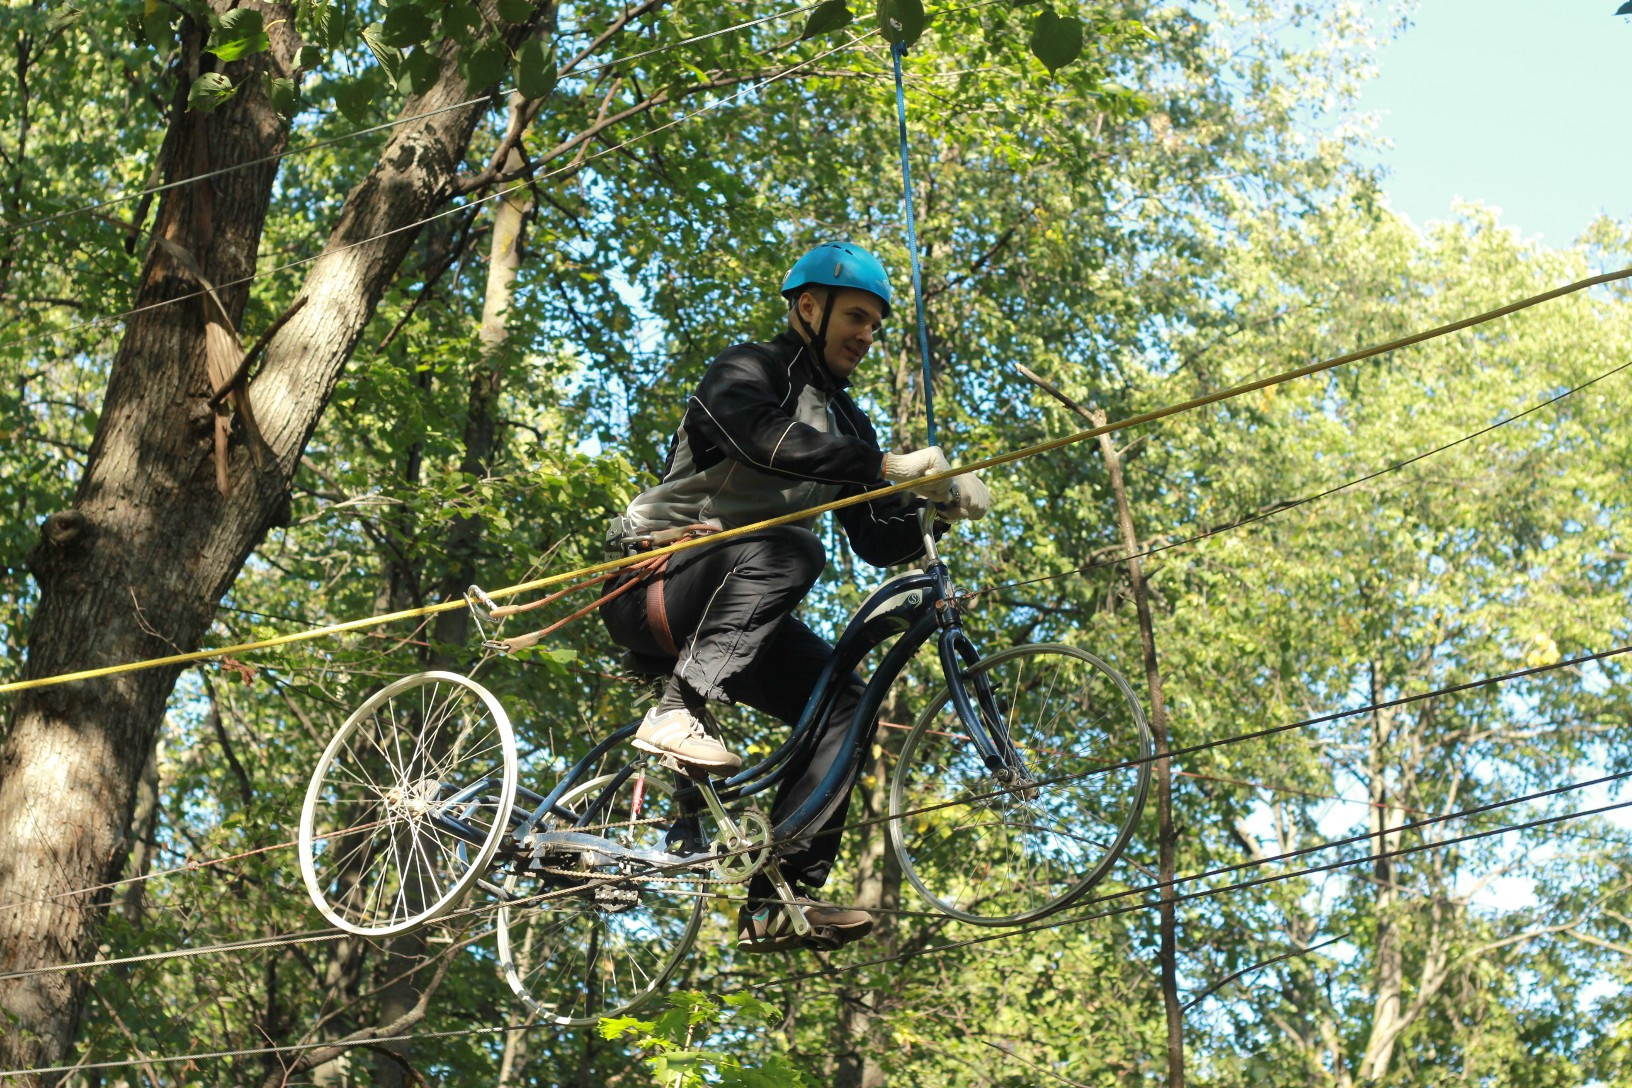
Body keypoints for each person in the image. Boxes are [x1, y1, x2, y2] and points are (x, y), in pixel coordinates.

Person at [599, 241, 990, 952]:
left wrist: (934, 508)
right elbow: (760, 440)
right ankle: (677, 711)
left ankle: (777, 899)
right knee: (795, 547)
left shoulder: (847, 423)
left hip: (735, 608)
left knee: (844, 698)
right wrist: (884, 464)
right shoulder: (747, 371)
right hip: (653, 587)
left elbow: (872, 537)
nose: (867, 337)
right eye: (857, 318)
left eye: (875, 325)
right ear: (808, 308)